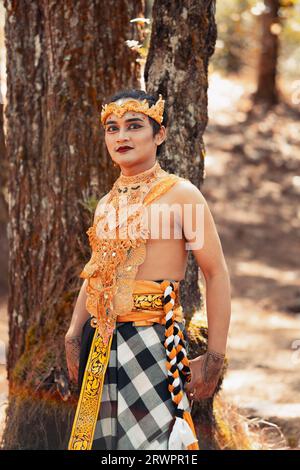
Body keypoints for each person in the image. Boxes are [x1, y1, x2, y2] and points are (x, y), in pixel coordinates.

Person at [65, 89, 231, 450]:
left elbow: (216, 273)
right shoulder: (107, 204)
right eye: (112, 128)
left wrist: (215, 356)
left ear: (160, 134)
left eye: (134, 126)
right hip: (100, 344)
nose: (121, 136)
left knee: (152, 448)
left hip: (154, 340)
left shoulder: (182, 195)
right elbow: (95, 270)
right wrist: (74, 330)